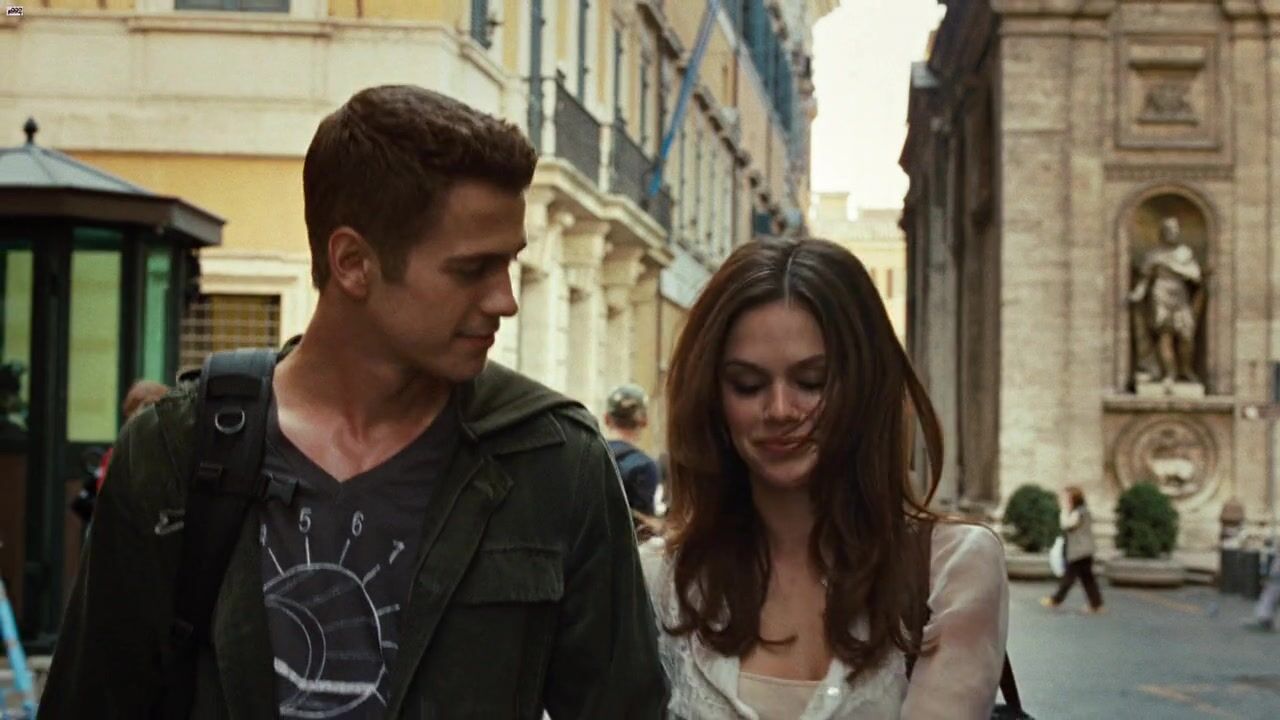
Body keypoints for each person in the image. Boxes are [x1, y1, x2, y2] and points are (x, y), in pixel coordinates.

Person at [42, 85, 668, 718]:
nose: (504, 299)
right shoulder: (175, 449)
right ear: (352, 263)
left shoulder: (554, 460)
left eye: (508, 264)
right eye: (471, 269)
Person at [640, 237, 1009, 719]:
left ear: (865, 385)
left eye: (811, 381)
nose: (780, 409)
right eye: (747, 385)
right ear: (712, 396)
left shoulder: (951, 569)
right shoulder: (659, 579)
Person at [1041, 486, 1105, 614]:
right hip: (1085, 550)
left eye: (1066, 498)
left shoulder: (1078, 513)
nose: (1064, 500)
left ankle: (1056, 599)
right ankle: (1096, 604)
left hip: (1079, 551)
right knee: (1087, 579)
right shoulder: (1083, 511)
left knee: (1069, 577)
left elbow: (1066, 524)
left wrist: (1064, 510)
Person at [604, 382, 661, 519]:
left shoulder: (588, 455)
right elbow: (641, 525)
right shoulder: (644, 466)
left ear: (606, 419)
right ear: (644, 421)